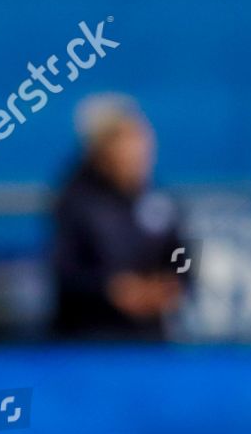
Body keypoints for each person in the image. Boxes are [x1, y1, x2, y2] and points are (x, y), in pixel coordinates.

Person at [50, 94, 189, 339]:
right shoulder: (75, 202)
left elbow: (181, 254)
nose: (137, 149)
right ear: (101, 149)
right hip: (91, 341)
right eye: (124, 140)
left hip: (152, 341)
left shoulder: (159, 199)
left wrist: (171, 285)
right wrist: (112, 290)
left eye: (139, 137)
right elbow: (66, 273)